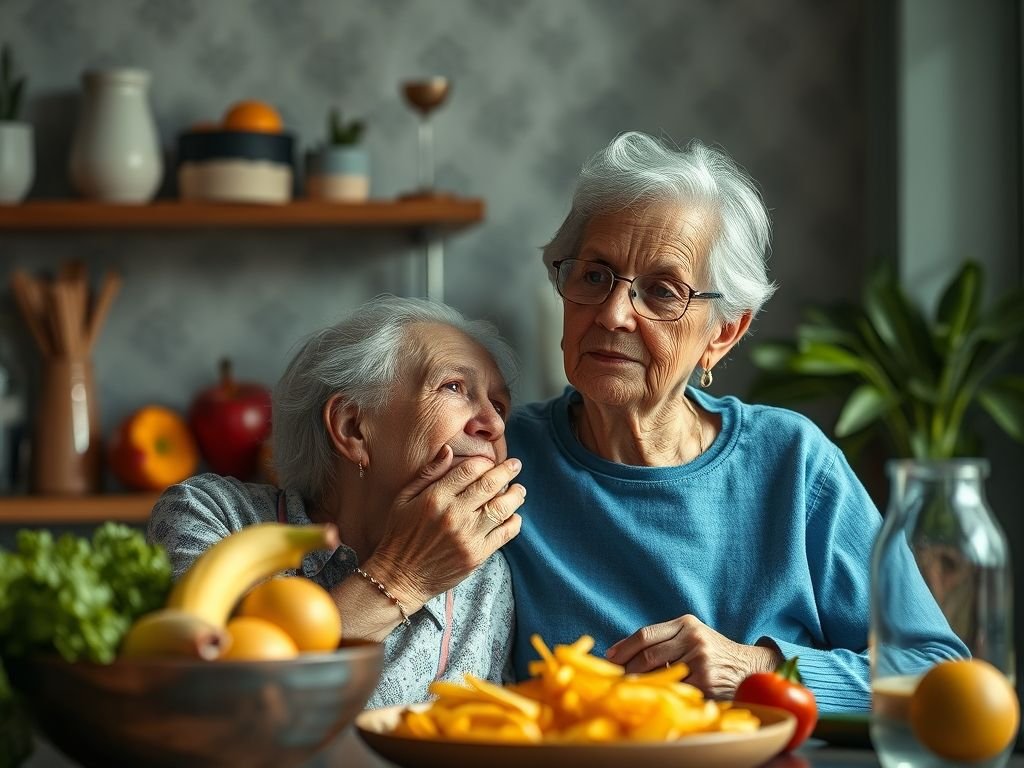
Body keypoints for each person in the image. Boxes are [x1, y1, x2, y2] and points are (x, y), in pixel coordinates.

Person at [502, 132, 965, 713]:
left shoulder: (792, 463)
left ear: (722, 335)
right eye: (594, 276)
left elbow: (938, 672)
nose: (615, 313)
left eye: (661, 291)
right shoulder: (501, 455)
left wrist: (756, 668)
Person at [149, 295, 526, 708]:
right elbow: (225, 712)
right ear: (352, 428)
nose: (492, 423)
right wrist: (402, 577)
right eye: (454, 387)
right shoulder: (210, 514)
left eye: (499, 405)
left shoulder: (484, 576)